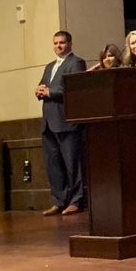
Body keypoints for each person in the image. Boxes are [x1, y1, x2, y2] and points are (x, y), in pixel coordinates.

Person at [35, 31, 87, 216]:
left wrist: (49, 92)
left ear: (70, 44)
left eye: (62, 43)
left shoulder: (76, 63)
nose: (58, 46)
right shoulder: (49, 66)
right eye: (56, 43)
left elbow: (73, 88)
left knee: (72, 164)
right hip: (49, 122)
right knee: (53, 165)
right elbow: (43, 85)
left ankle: (76, 200)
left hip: (66, 122)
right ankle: (58, 200)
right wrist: (39, 90)